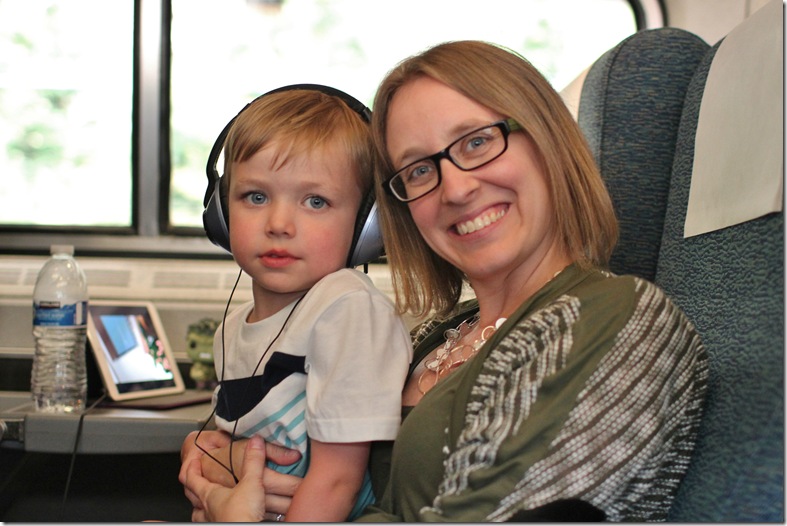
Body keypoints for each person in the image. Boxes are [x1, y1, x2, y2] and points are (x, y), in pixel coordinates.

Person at [181, 40, 709, 522]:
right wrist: (219, 458)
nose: (454, 189)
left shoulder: (616, 318)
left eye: (477, 142)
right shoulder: (436, 334)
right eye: (419, 170)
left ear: (548, 142)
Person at [180, 87, 413, 522]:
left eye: (315, 201)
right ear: (221, 213)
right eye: (256, 196)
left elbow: (336, 481)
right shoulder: (231, 329)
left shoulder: (347, 308)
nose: (279, 224)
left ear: (367, 225)